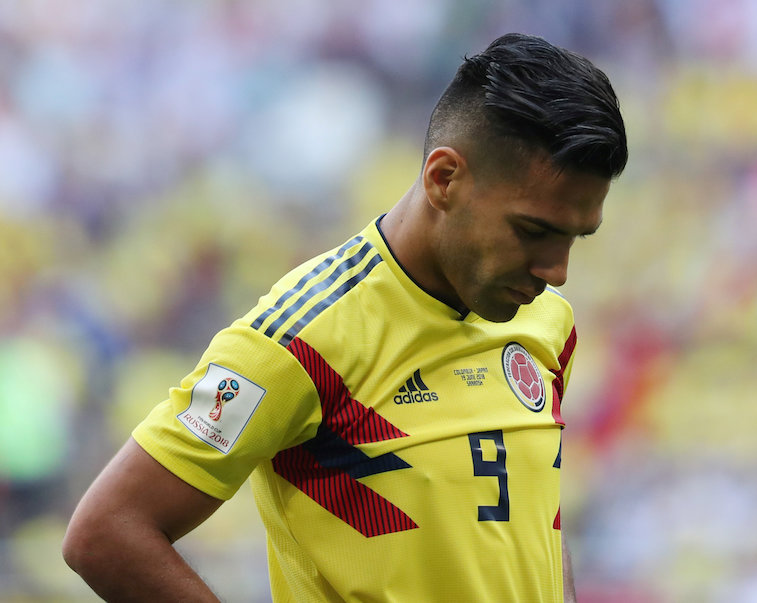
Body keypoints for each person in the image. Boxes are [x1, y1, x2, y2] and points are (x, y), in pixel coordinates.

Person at [63, 32, 628, 602]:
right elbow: (107, 533)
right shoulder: (300, 340)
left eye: (577, 238)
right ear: (444, 180)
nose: (557, 271)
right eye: (534, 232)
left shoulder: (546, 324)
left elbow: (531, 520)